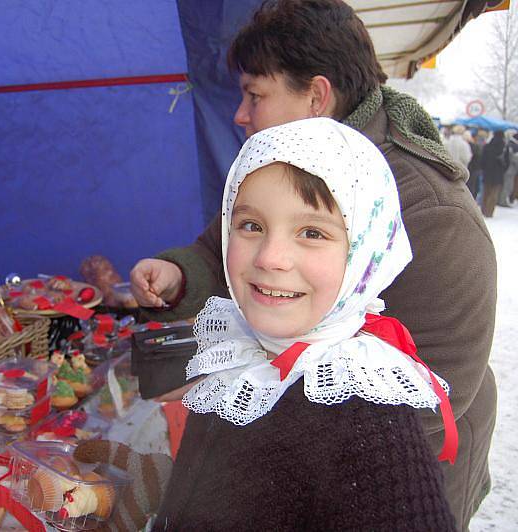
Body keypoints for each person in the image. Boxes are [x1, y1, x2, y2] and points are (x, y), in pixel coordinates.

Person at [130, 0, 496, 528]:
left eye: (255, 94)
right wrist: (182, 273)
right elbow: (219, 248)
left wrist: (277, 459)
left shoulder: (430, 209)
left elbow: (443, 386)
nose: (239, 113)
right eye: (254, 226)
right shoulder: (278, 171)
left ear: (316, 96)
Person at [154, 117, 455, 530]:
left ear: (364, 253)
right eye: (251, 226)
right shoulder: (242, 361)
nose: (269, 257)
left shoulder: (368, 423)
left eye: (311, 232)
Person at [480, 130, 508, 217]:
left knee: (486, 192)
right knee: (494, 194)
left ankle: (483, 210)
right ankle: (489, 212)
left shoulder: (487, 146)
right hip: (498, 174)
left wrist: (484, 169)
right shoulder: (504, 148)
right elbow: (507, 162)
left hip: (487, 173)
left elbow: (482, 161)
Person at [466, 129, 483, 200]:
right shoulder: (475, 146)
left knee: (472, 185)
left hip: (473, 168)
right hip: (474, 168)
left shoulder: (473, 145)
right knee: (472, 186)